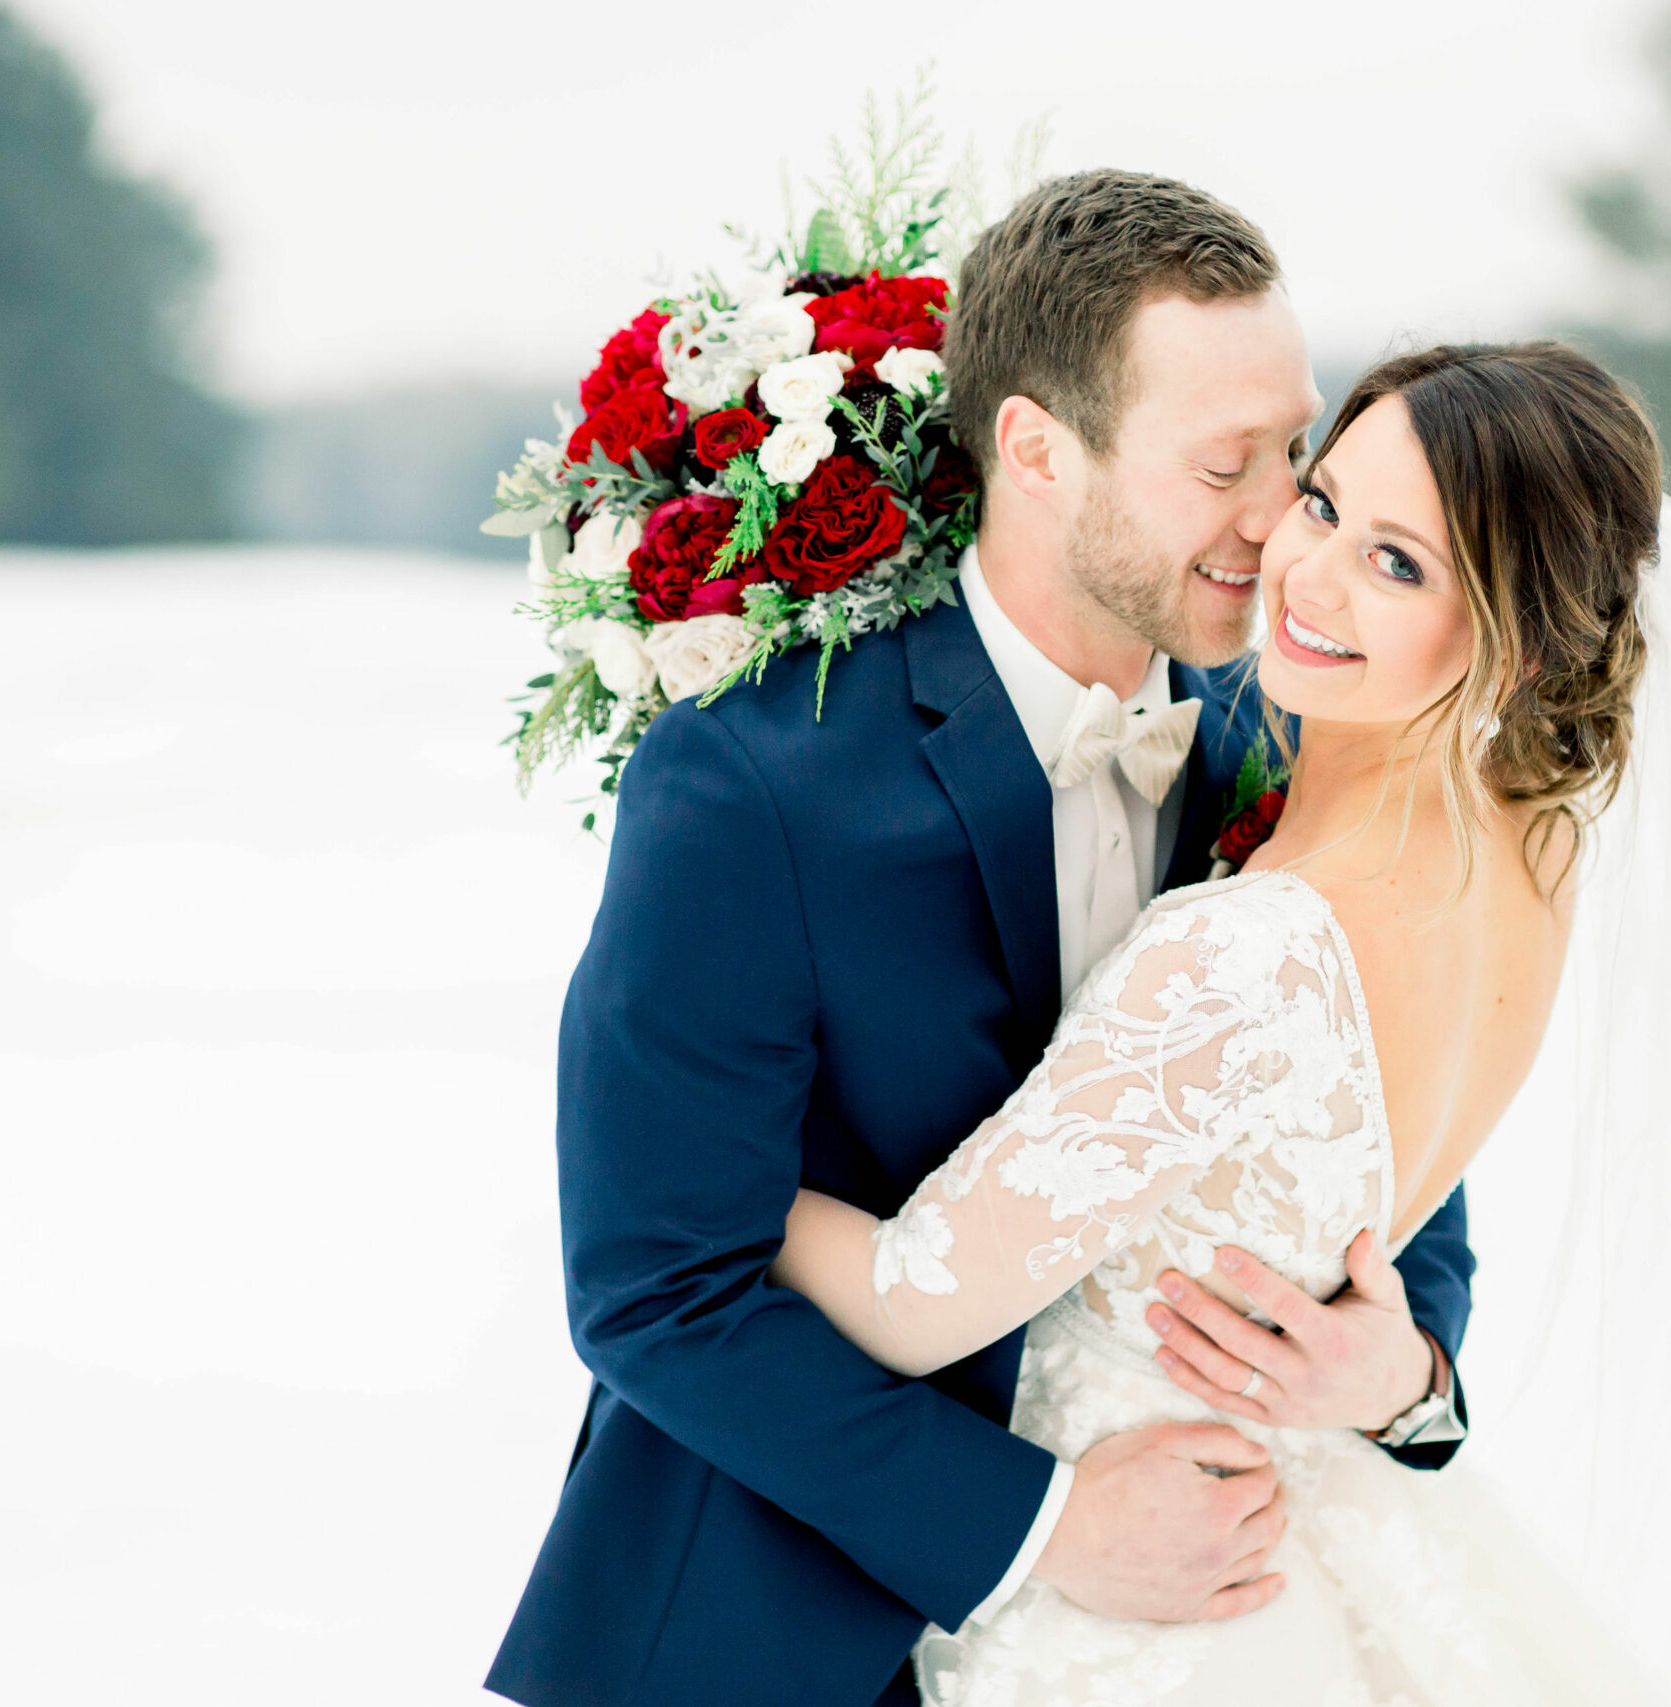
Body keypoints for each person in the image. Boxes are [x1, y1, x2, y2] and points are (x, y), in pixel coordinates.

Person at [484, 172, 1481, 1707]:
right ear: (1034, 450)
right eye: (1225, 465)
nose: (1284, 521)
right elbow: (654, 1284)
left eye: (1299, 450)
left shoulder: (1292, 749)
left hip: (1204, 1635)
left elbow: (1397, 1187)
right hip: (776, 1634)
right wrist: (1043, 1525)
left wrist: (1406, 1380)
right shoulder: (753, 778)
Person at [769, 338, 1671, 1703]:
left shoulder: (1249, 951)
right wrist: (1401, 1382)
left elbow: (913, 1305)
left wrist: (706, 1180)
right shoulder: (1533, 851)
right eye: (1322, 504)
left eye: (1402, 565)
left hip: (1138, 1597)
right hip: (1304, 1534)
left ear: (1520, 640)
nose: (1306, 572)